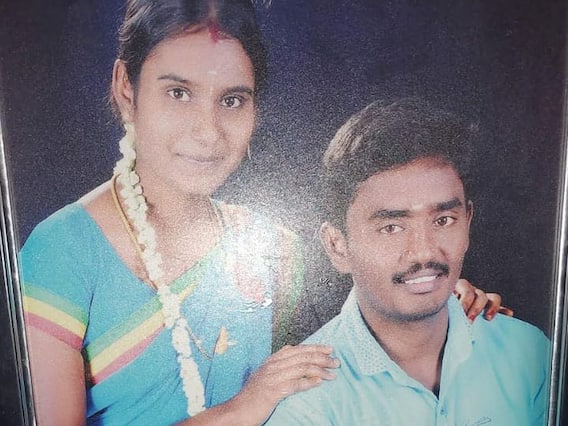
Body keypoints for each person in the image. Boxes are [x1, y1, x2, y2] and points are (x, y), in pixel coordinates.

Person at [19, 1, 505, 425]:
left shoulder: (272, 246)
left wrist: (436, 300)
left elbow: (358, 328)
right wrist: (238, 411)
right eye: (178, 92)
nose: (208, 132)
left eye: (232, 100)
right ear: (127, 87)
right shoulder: (63, 251)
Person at [267, 98, 550, 425]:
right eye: (391, 227)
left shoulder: (527, 352)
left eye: (443, 220)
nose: (424, 253)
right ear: (337, 246)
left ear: (468, 222)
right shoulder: (303, 399)